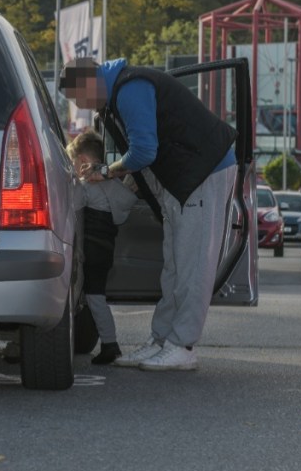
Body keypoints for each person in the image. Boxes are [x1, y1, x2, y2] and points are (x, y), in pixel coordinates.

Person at [59, 57, 237, 371]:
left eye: (78, 97)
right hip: (183, 177)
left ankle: (182, 345)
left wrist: (106, 171)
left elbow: (143, 151)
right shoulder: (120, 93)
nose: (80, 104)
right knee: (173, 268)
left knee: (191, 266)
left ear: (89, 82)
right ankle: (161, 339)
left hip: (202, 173)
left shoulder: (131, 89)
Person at [66, 129, 137, 365]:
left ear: (84, 162)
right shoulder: (114, 187)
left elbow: (73, 204)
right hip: (105, 250)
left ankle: (110, 344)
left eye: (74, 163)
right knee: (97, 297)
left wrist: (72, 183)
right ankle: (109, 343)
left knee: (90, 297)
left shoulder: (88, 185)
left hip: (91, 251)